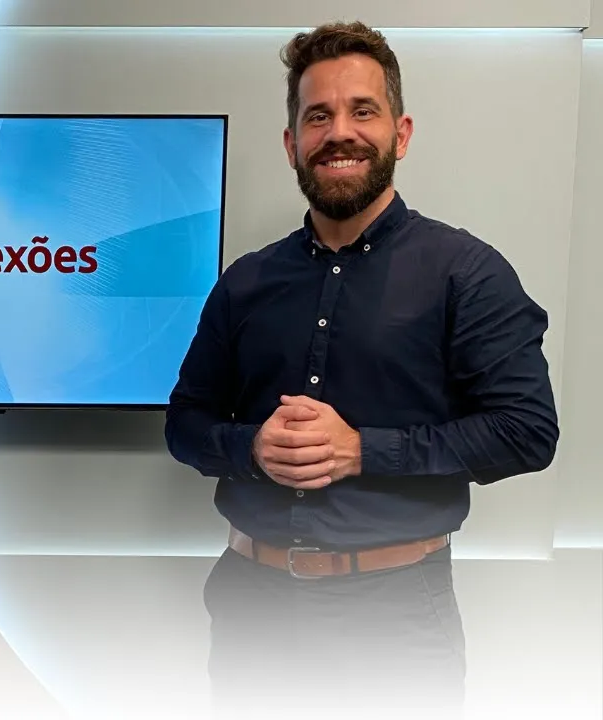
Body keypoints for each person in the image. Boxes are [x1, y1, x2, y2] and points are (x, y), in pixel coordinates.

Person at [164, 21, 557, 715]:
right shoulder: (246, 282)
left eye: (362, 111)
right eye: (317, 116)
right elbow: (185, 424)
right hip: (250, 607)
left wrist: (362, 451)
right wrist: (250, 449)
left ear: (400, 134)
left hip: (395, 616)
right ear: (292, 144)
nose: (339, 132)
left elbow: (526, 432)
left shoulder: (467, 273)